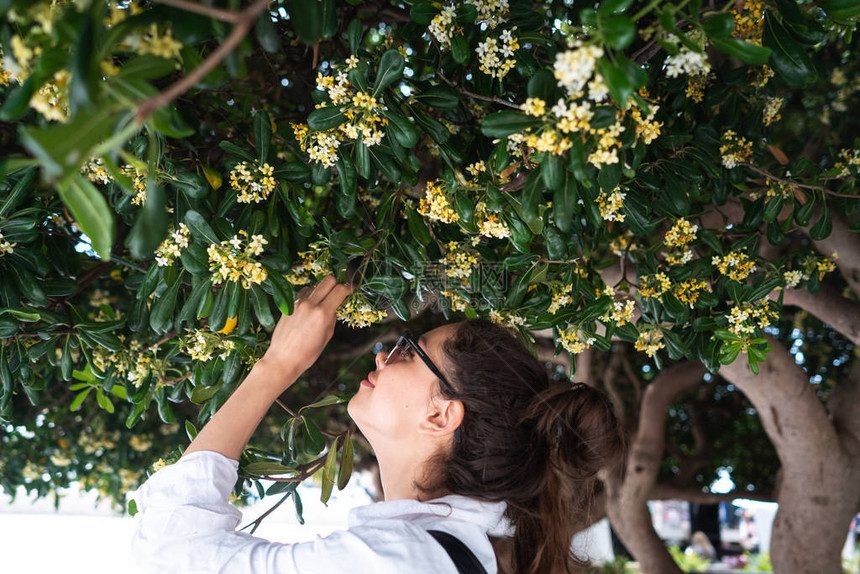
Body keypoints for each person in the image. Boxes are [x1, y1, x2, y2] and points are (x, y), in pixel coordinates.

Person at [130, 275, 624, 573]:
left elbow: (173, 553)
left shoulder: (400, 560)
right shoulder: (439, 554)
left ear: (442, 415)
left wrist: (277, 366)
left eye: (411, 353)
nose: (385, 355)